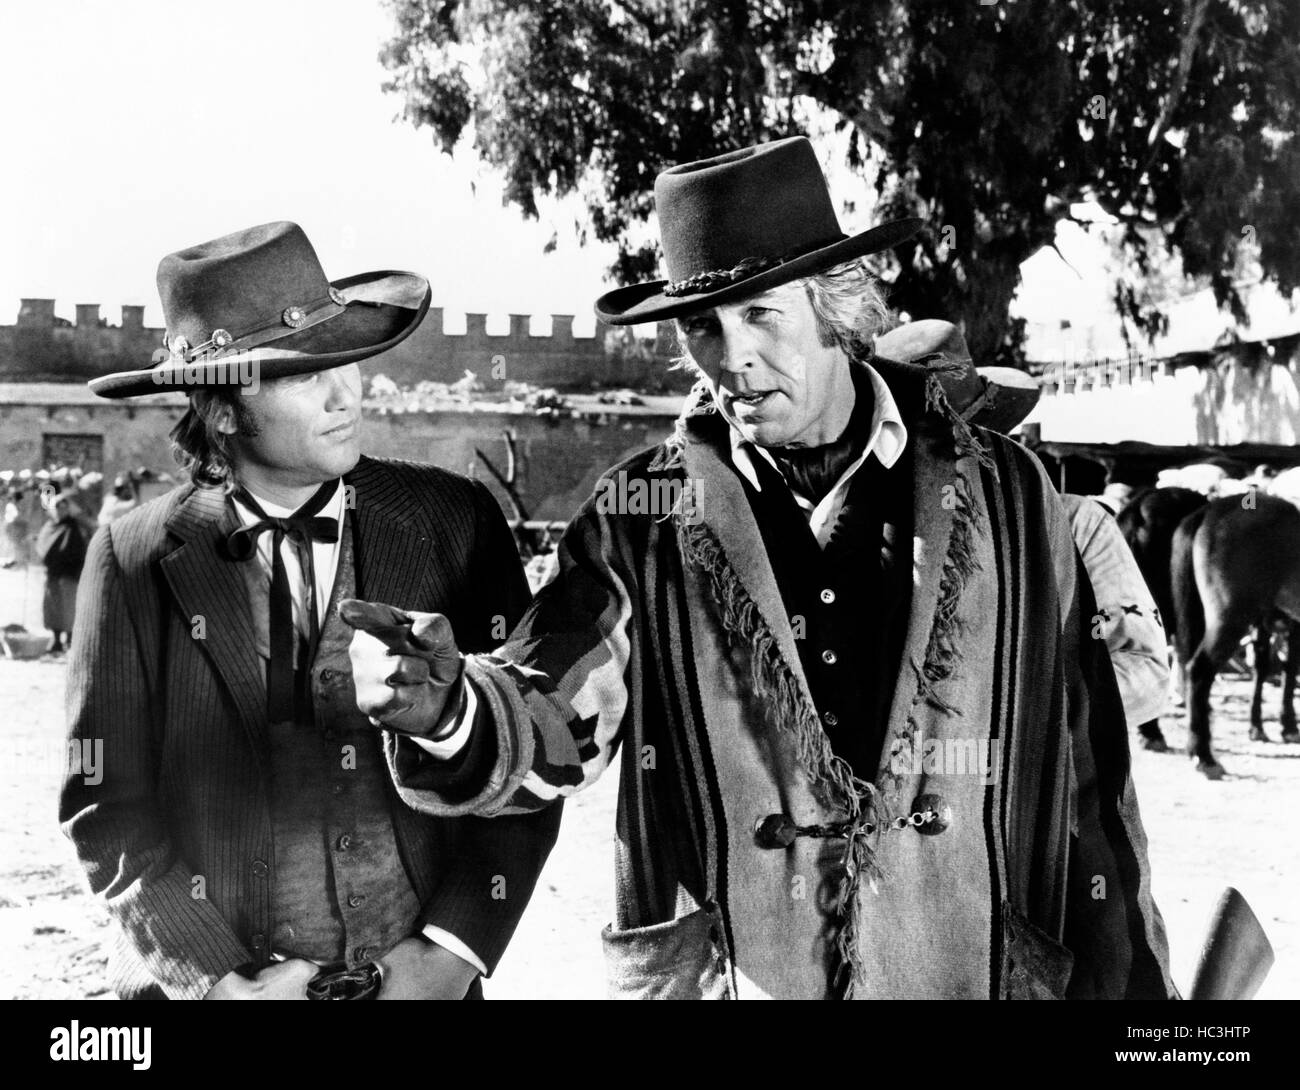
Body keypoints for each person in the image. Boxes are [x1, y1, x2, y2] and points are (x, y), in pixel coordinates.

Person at [347, 137, 1175, 1000]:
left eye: (763, 315)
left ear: (834, 310)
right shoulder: (643, 515)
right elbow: (558, 709)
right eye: (702, 325)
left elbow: (1088, 777)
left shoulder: (1010, 497)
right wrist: (449, 707)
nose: (731, 357)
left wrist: (1140, 1002)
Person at [60, 221, 560, 1000]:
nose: (345, 392)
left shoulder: (455, 523)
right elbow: (104, 807)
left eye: (347, 361)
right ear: (221, 410)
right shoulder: (129, 560)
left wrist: (450, 955)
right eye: (302, 375)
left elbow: (526, 758)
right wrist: (218, 984)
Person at [874, 321, 1173, 747]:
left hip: (1040, 783)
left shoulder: (1074, 525)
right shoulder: (864, 531)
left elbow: (1145, 674)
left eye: (959, 448)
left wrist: (1008, 708)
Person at [36, 491, 86, 654]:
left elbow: (77, 550)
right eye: (56, 507)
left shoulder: (72, 527)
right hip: (52, 573)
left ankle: (70, 639)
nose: (59, 510)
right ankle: (56, 639)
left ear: (67, 509)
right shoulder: (49, 526)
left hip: (69, 573)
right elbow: (43, 545)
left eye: (63, 507)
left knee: (68, 607)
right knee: (53, 607)